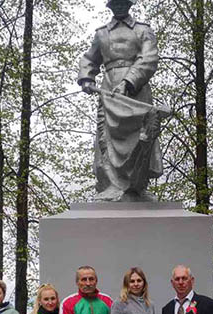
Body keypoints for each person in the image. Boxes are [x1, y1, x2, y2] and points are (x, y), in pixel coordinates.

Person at [77, 0, 167, 201]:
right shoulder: (101, 33)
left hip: (137, 90)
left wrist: (129, 81)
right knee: (106, 136)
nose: (118, 6)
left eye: (122, 2)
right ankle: (110, 185)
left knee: (139, 137)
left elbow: (149, 58)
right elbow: (89, 59)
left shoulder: (143, 30)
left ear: (129, 4)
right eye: (114, 3)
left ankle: (137, 187)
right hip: (109, 90)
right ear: (109, 6)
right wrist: (86, 78)